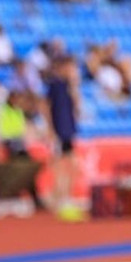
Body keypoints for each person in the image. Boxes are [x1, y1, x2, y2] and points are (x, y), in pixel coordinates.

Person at [46, 54, 84, 221]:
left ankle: (64, 198)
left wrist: (74, 87)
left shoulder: (69, 86)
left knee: (71, 165)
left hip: (69, 130)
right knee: (60, 166)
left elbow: (77, 106)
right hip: (59, 131)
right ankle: (60, 199)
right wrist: (50, 129)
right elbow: (46, 107)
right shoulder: (55, 85)